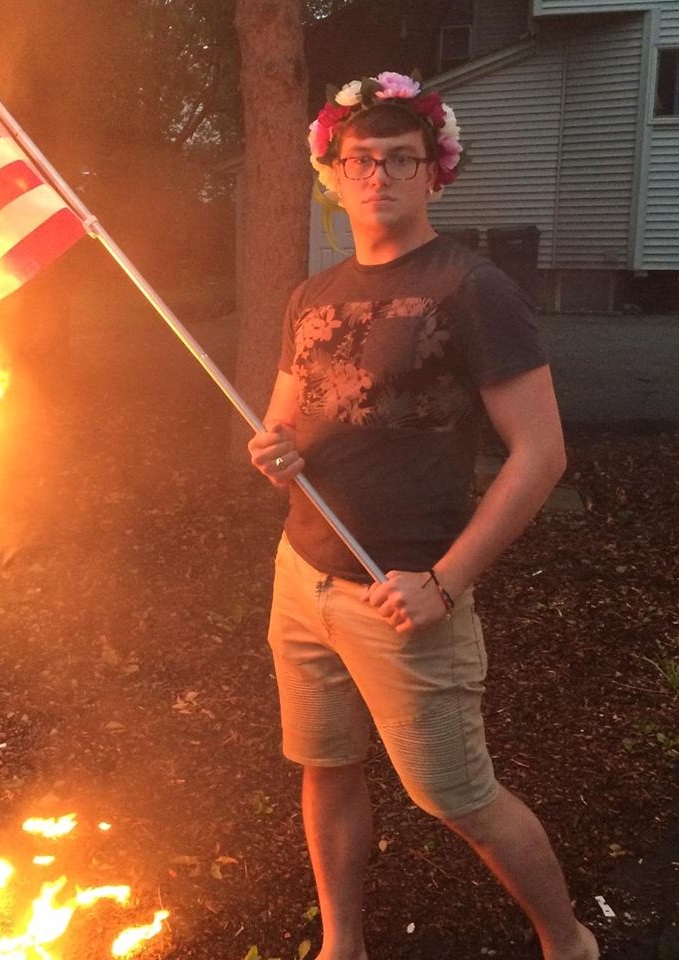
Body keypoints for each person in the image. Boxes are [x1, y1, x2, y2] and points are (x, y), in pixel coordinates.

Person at [247, 72, 599, 960]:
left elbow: (541, 454)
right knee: (325, 768)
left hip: (403, 596)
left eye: (402, 158)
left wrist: (446, 583)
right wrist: (273, 450)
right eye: (360, 159)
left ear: (434, 172)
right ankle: (343, 946)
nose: (379, 176)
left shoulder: (474, 288)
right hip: (302, 579)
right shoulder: (311, 294)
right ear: (332, 173)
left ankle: (570, 945)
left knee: (458, 795)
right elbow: (282, 423)